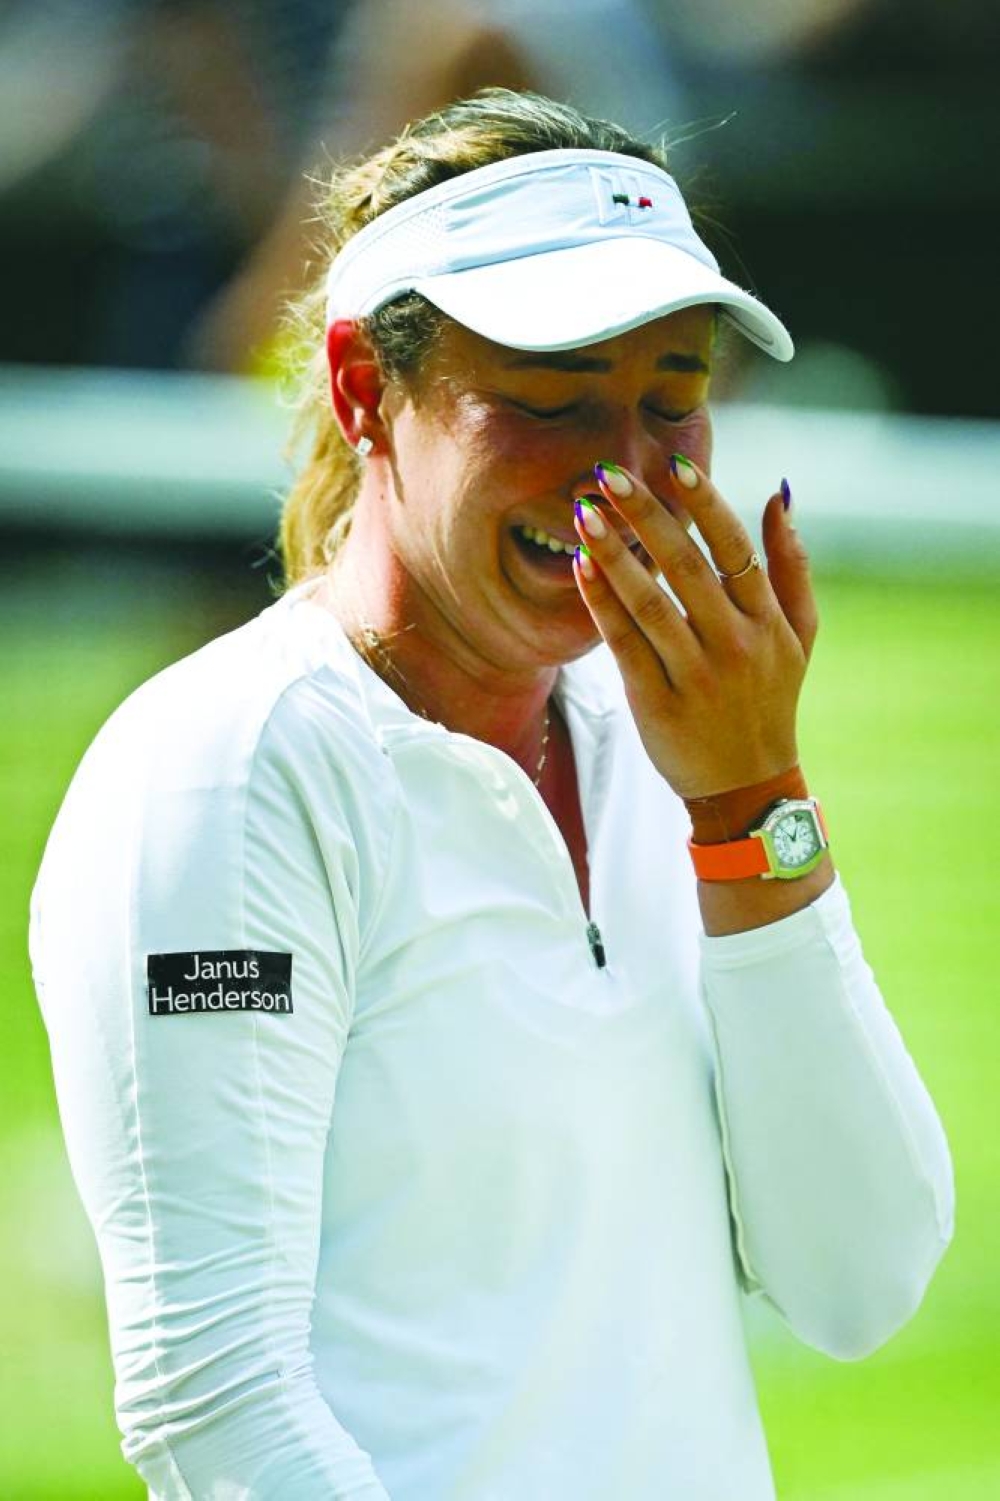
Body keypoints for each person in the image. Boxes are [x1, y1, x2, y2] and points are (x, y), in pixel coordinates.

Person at [30, 90, 954, 1500]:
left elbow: (861, 1276)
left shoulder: (671, 752)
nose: (623, 472)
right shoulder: (227, 774)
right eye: (546, 402)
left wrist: (753, 800)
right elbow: (217, 1419)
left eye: (671, 403)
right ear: (361, 389)